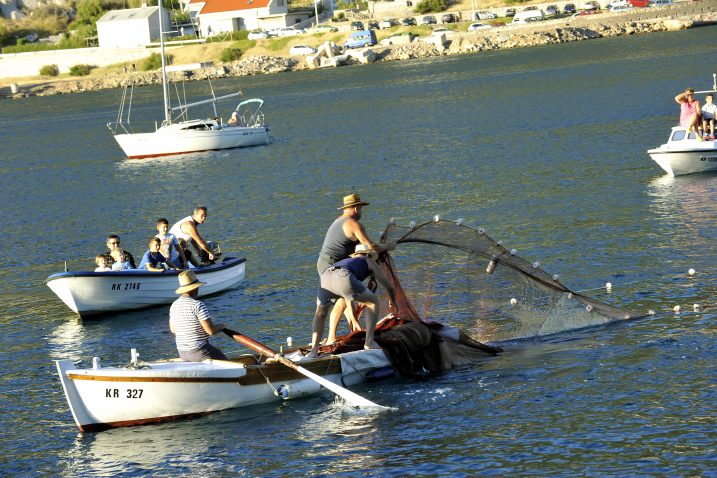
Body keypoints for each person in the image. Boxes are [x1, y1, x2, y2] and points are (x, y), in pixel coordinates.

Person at [315, 193, 396, 346]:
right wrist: (389, 246)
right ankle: (339, 336)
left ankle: (337, 333)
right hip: (333, 266)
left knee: (337, 300)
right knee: (342, 297)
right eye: (360, 208)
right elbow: (372, 247)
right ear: (356, 208)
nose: (361, 211)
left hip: (325, 264)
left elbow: (365, 247)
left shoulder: (339, 221)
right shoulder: (353, 224)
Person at [309, 244, 398, 358]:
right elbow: (389, 286)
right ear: (368, 254)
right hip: (342, 276)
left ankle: (313, 351)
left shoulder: (347, 261)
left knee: (320, 314)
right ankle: (369, 343)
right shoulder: (368, 261)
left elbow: (347, 298)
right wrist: (393, 301)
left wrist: (354, 319)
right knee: (373, 302)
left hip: (325, 277)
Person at [169, 270, 228, 361]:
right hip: (199, 352)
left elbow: (173, 330)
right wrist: (222, 326)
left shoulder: (174, 305)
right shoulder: (197, 305)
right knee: (228, 364)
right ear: (195, 288)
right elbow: (210, 331)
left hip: (182, 353)